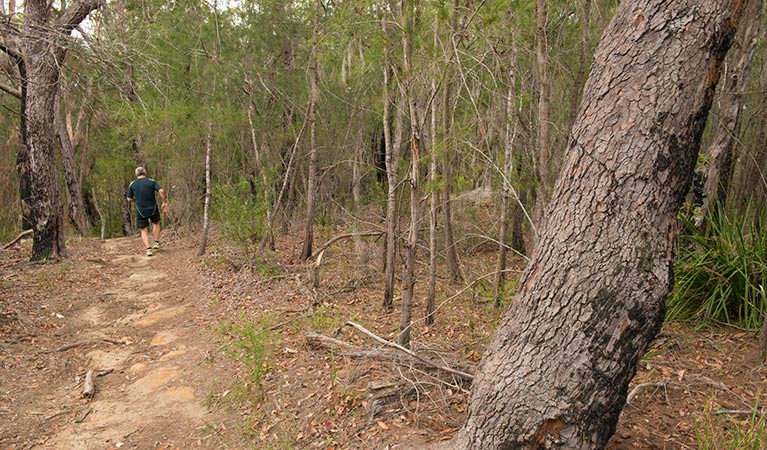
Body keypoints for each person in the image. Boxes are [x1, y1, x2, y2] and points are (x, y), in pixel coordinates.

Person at [127, 166, 169, 256]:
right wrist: (164, 202)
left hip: (140, 210)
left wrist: (136, 200)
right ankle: (156, 242)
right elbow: (161, 191)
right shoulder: (151, 182)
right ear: (145, 173)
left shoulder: (132, 184)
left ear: (136, 174)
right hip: (153, 208)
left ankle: (148, 249)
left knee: (143, 229)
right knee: (156, 223)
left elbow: (129, 199)